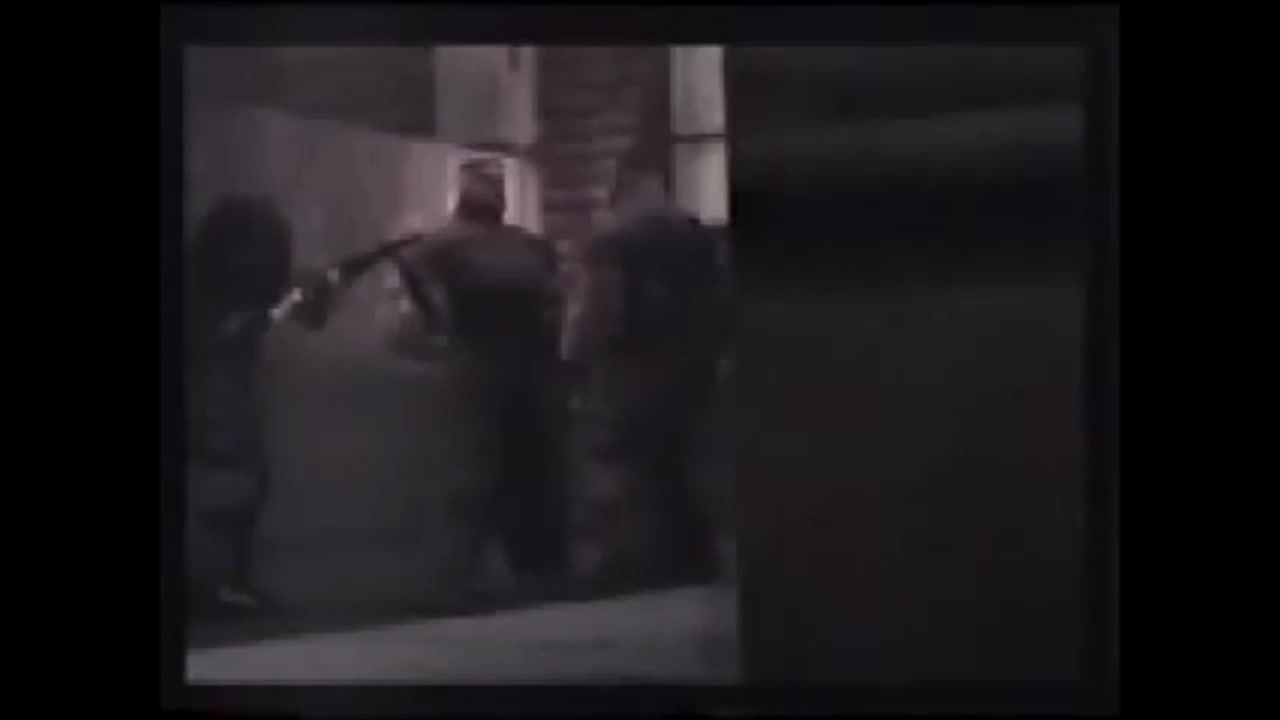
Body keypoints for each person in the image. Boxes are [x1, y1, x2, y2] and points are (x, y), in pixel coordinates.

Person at [385, 159, 570, 602]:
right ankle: (536, 574)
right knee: (525, 475)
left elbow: (420, 305)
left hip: (476, 366)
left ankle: (453, 579)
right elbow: (555, 309)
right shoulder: (532, 248)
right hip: (528, 371)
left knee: (470, 475)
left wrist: (434, 335)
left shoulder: (436, 247)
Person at [563, 145, 734, 590]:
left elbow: (603, 307)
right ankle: (691, 555)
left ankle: (629, 560)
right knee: (676, 460)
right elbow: (721, 301)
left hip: (631, 365)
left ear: (623, 184)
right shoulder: (696, 236)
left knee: (622, 458)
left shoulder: (614, 240)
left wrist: (576, 355)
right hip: (692, 363)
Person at [185, 194, 338, 617]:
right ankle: (217, 583)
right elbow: (230, 330)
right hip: (213, 387)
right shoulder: (205, 287)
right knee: (226, 477)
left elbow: (297, 314)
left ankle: (226, 580)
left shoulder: (240, 281)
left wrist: (309, 295)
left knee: (241, 478)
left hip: (228, 389)